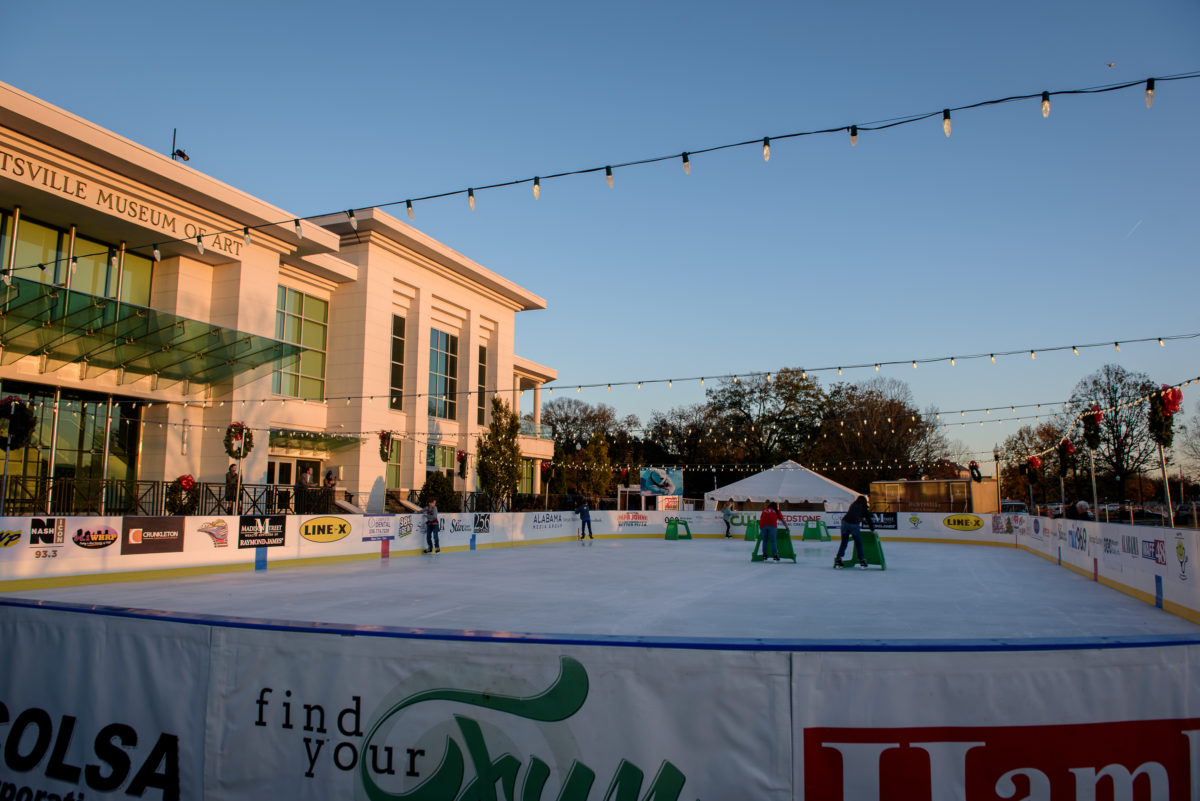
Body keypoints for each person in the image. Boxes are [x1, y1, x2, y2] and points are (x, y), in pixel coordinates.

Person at [836, 495, 875, 569]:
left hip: (844, 523)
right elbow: (868, 518)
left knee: (844, 542)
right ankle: (862, 560)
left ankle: (839, 558)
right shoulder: (863, 507)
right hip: (854, 524)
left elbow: (855, 514)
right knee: (858, 543)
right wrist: (872, 529)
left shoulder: (853, 505)